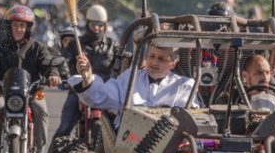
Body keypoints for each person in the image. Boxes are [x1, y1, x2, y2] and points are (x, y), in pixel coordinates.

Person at [0, 5, 61, 153]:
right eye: (15, 25)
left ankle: (40, 151)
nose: (18, 29)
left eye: (22, 25)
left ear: (28, 28)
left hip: (31, 93)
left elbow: (48, 65)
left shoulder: (38, 48)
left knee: (41, 108)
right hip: (3, 92)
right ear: (9, 27)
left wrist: (53, 75)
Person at [69, 43, 198, 125]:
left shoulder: (185, 85)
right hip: (128, 139)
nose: (154, 62)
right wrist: (87, 77)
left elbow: (189, 116)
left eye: (161, 59)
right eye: (151, 56)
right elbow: (103, 96)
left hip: (168, 142)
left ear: (173, 63)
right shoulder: (131, 77)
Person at [53, 5, 117, 140]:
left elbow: (122, 66)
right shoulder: (75, 44)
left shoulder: (114, 46)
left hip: (103, 92)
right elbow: (64, 60)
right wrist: (63, 74)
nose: (97, 28)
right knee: (63, 129)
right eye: (93, 24)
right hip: (79, 91)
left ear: (105, 26)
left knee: (120, 128)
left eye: (100, 25)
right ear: (88, 24)